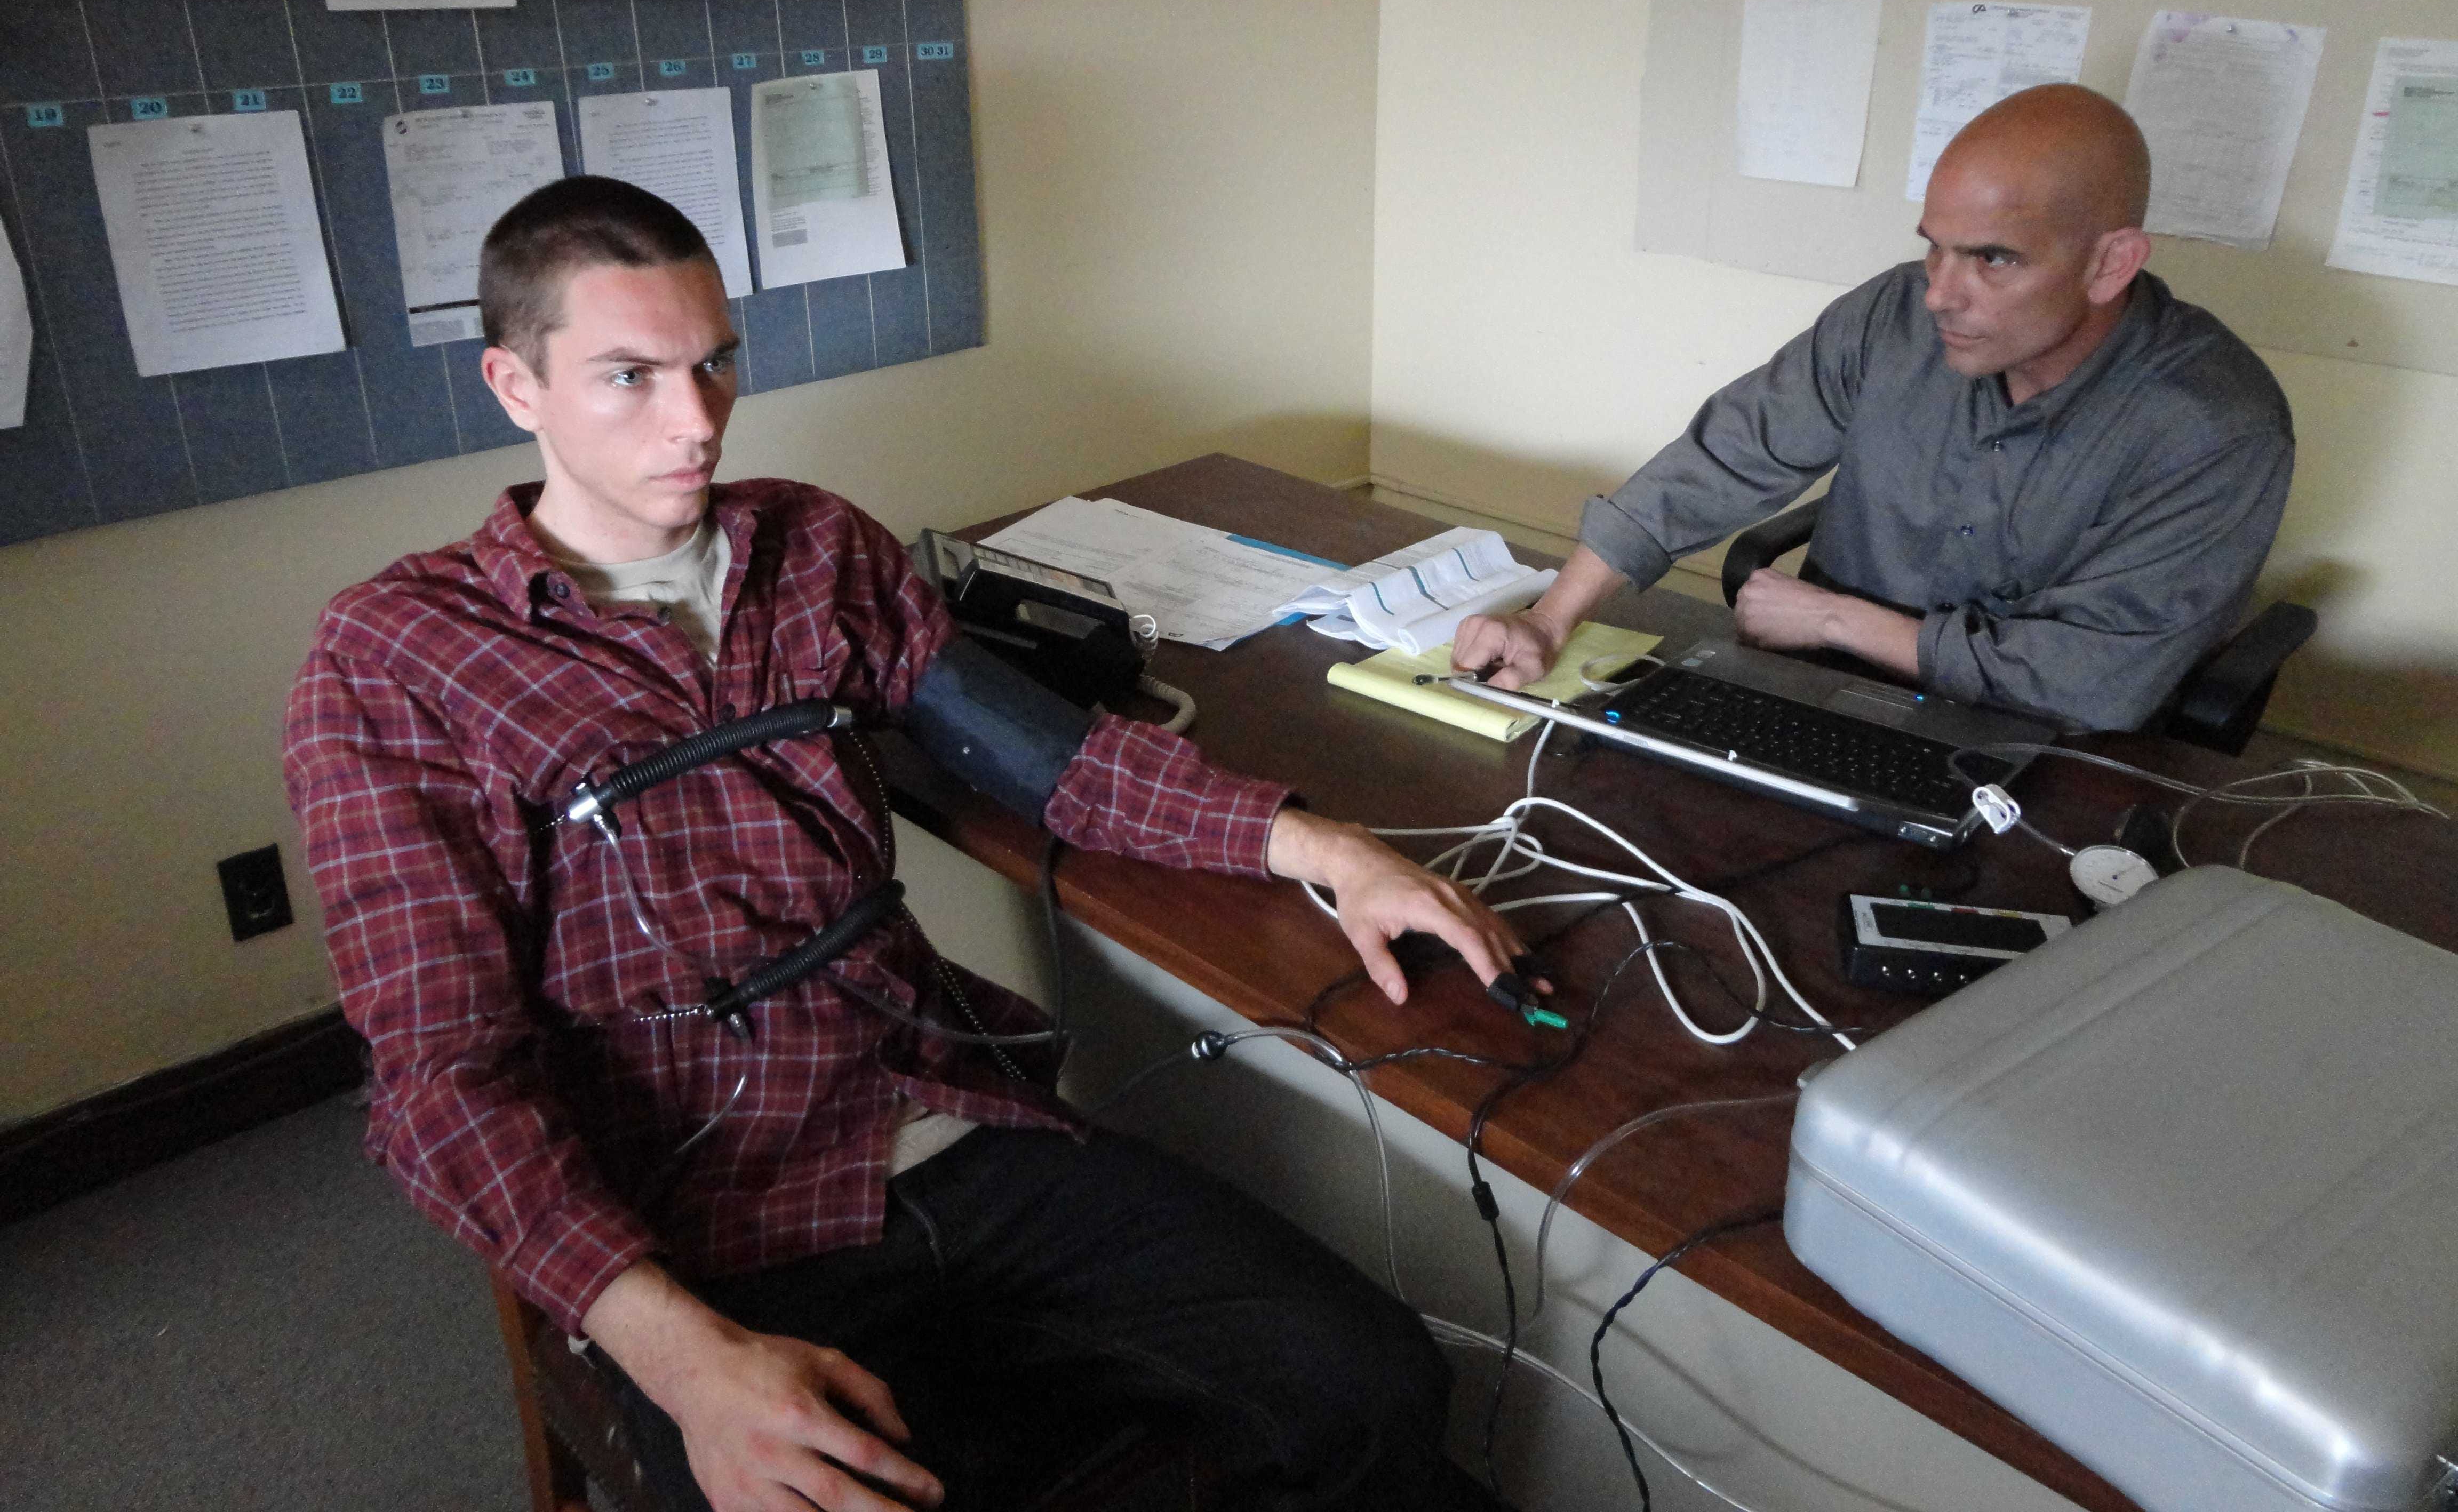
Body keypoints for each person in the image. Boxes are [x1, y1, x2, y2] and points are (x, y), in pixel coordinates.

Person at [284, 177, 1526, 1512]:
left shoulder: (814, 547)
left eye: (715, 364)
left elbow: (1058, 762)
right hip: (704, 1226)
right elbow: (440, 1075)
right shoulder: (398, 658)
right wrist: (684, 1361)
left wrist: (1325, 850)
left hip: (952, 1118)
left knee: (1372, 1383)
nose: (697, 421)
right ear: (515, 386)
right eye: (630, 377)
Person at [1455, 84, 2294, 733]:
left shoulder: (2215, 426)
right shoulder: (1891, 319)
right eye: (1935, 248)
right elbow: (1727, 456)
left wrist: (1837, 620)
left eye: (1993, 260)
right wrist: (1551, 618)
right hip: (1821, 691)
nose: (1940, 294)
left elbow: (2091, 683)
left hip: (2040, 746)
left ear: (2111, 264)